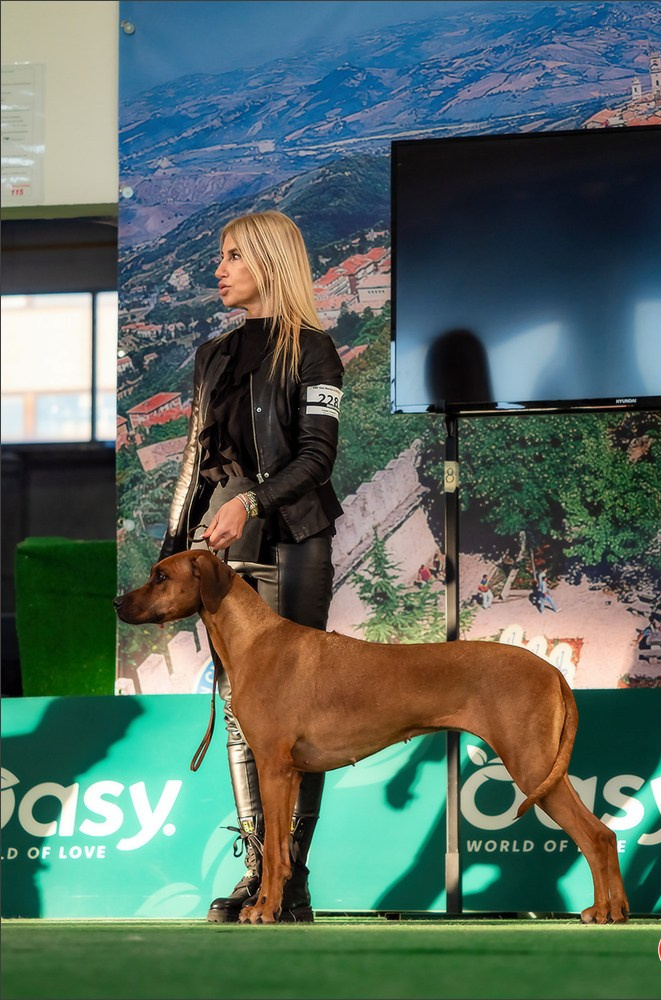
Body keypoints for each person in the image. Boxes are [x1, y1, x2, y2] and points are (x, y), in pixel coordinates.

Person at [158, 210, 344, 924]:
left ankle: (290, 883)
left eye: (232, 256)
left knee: (296, 719)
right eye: (220, 257)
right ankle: (258, 876)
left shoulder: (314, 351)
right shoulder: (212, 356)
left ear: (268, 261)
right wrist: (173, 551)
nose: (219, 269)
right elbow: (194, 463)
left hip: (293, 540)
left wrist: (253, 506)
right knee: (243, 720)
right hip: (222, 557)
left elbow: (315, 460)